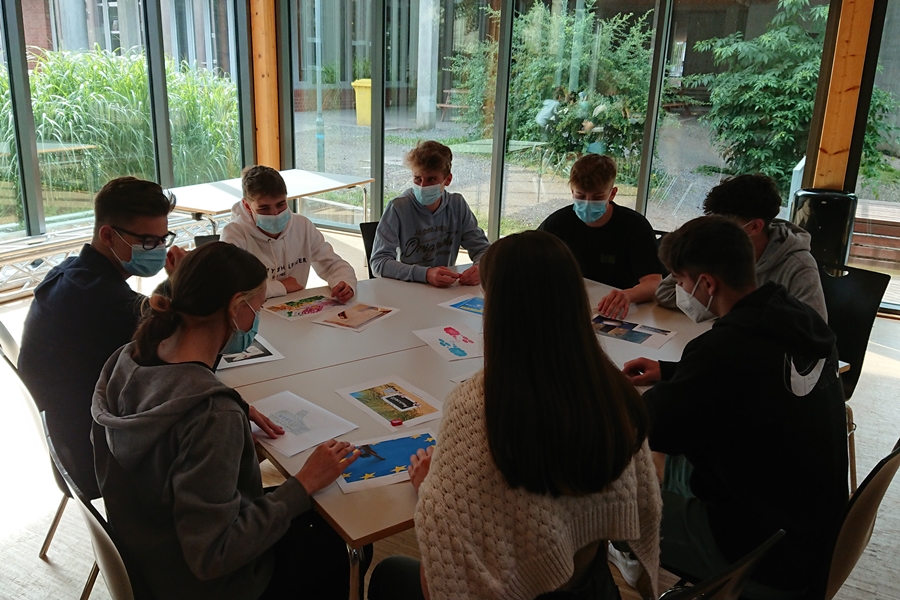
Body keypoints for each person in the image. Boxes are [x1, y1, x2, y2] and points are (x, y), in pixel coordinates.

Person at [368, 231, 662, 600]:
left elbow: (443, 580)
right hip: (592, 588)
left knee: (388, 574)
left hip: (521, 591)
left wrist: (429, 488)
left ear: (496, 308)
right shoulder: (613, 390)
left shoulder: (479, 406)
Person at [92, 242, 365, 599]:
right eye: (258, 309)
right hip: (211, 585)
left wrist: (226, 413)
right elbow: (214, 554)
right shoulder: (211, 415)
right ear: (236, 309)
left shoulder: (126, 360)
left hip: (152, 555)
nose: (257, 321)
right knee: (340, 540)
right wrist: (303, 483)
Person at [623, 216, 847, 599]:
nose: (680, 291)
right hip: (816, 532)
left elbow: (647, 425)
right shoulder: (797, 319)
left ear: (707, 284)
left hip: (762, 553)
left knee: (611, 499)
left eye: (681, 282)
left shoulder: (723, 351)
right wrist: (673, 371)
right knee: (679, 458)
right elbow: (754, 379)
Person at [18, 176, 186, 496]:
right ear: (108, 235)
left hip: (66, 443)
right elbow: (181, 352)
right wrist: (185, 284)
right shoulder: (108, 303)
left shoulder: (68, 272)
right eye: (148, 241)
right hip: (97, 459)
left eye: (163, 239)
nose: (158, 249)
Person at [655, 174, 827, 319]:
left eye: (725, 224)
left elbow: (813, 333)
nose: (716, 231)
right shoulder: (714, 249)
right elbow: (665, 292)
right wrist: (713, 306)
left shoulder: (798, 265)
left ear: (755, 227)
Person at [538, 154, 663, 319]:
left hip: (623, 312)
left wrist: (628, 295)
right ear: (572, 191)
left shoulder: (634, 227)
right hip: (572, 305)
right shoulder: (557, 223)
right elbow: (530, 262)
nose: (587, 203)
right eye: (580, 196)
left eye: (597, 197)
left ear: (612, 194)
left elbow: (654, 282)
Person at [221, 165, 356, 301]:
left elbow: (333, 264)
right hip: (252, 311)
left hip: (295, 307)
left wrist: (344, 282)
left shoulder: (302, 226)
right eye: (264, 208)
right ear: (247, 206)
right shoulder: (234, 233)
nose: (275, 214)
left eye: (281, 204)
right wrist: (282, 286)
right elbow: (230, 289)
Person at [370, 140, 490, 288]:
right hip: (409, 287)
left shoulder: (457, 205)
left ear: (447, 180)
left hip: (444, 289)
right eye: (417, 178)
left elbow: (483, 249)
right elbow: (378, 263)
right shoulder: (398, 207)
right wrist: (426, 274)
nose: (423, 186)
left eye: (431, 179)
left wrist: (480, 267)